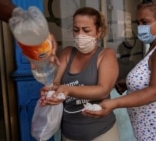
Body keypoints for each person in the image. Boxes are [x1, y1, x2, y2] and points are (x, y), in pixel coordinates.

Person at [83, 0, 156, 140]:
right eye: (138, 22)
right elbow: (154, 77)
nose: (140, 27)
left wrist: (115, 103)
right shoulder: (155, 46)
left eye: (145, 22)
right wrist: (129, 84)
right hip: (151, 130)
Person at [39, 7, 120, 141]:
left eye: (86, 30)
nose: (80, 35)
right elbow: (56, 83)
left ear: (98, 32)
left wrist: (68, 90)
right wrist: (50, 92)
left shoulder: (106, 55)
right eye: (76, 30)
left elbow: (103, 90)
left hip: (101, 132)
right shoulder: (67, 53)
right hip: (69, 133)